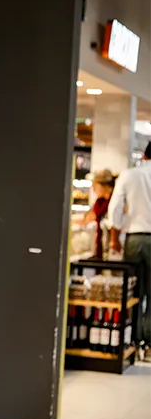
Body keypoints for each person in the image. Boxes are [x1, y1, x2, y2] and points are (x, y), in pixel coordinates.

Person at [109, 143, 151, 355]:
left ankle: (131, 339)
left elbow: (115, 209)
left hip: (134, 238)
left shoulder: (130, 175)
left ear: (145, 155)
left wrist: (114, 238)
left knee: (133, 291)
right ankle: (148, 343)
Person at [85, 169, 115, 258]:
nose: (93, 189)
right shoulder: (99, 202)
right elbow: (88, 217)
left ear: (104, 185)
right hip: (102, 247)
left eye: (94, 185)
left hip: (114, 248)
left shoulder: (115, 202)